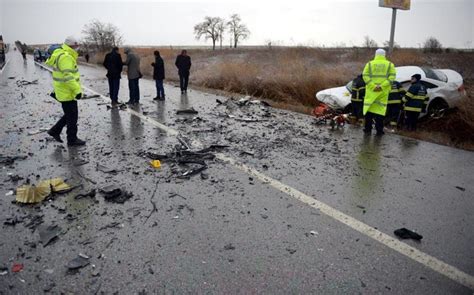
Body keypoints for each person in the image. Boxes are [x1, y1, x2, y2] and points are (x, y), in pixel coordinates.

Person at [45, 36, 85, 146]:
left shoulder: (62, 54)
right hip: (67, 92)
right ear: (72, 45)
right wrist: (77, 91)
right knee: (72, 117)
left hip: (64, 91)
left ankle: (54, 131)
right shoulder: (66, 57)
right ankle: (72, 139)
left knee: (69, 115)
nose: (78, 48)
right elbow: (68, 76)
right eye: (76, 45)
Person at [362, 48, 396, 136]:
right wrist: (381, 86)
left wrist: (373, 86)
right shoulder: (390, 64)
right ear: (384, 55)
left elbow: (365, 76)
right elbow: (392, 78)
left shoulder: (369, 64)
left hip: (371, 91)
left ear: (376, 55)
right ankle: (379, 131)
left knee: (369, 111)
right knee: (380, 112)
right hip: (383, 92)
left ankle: (367, 129)